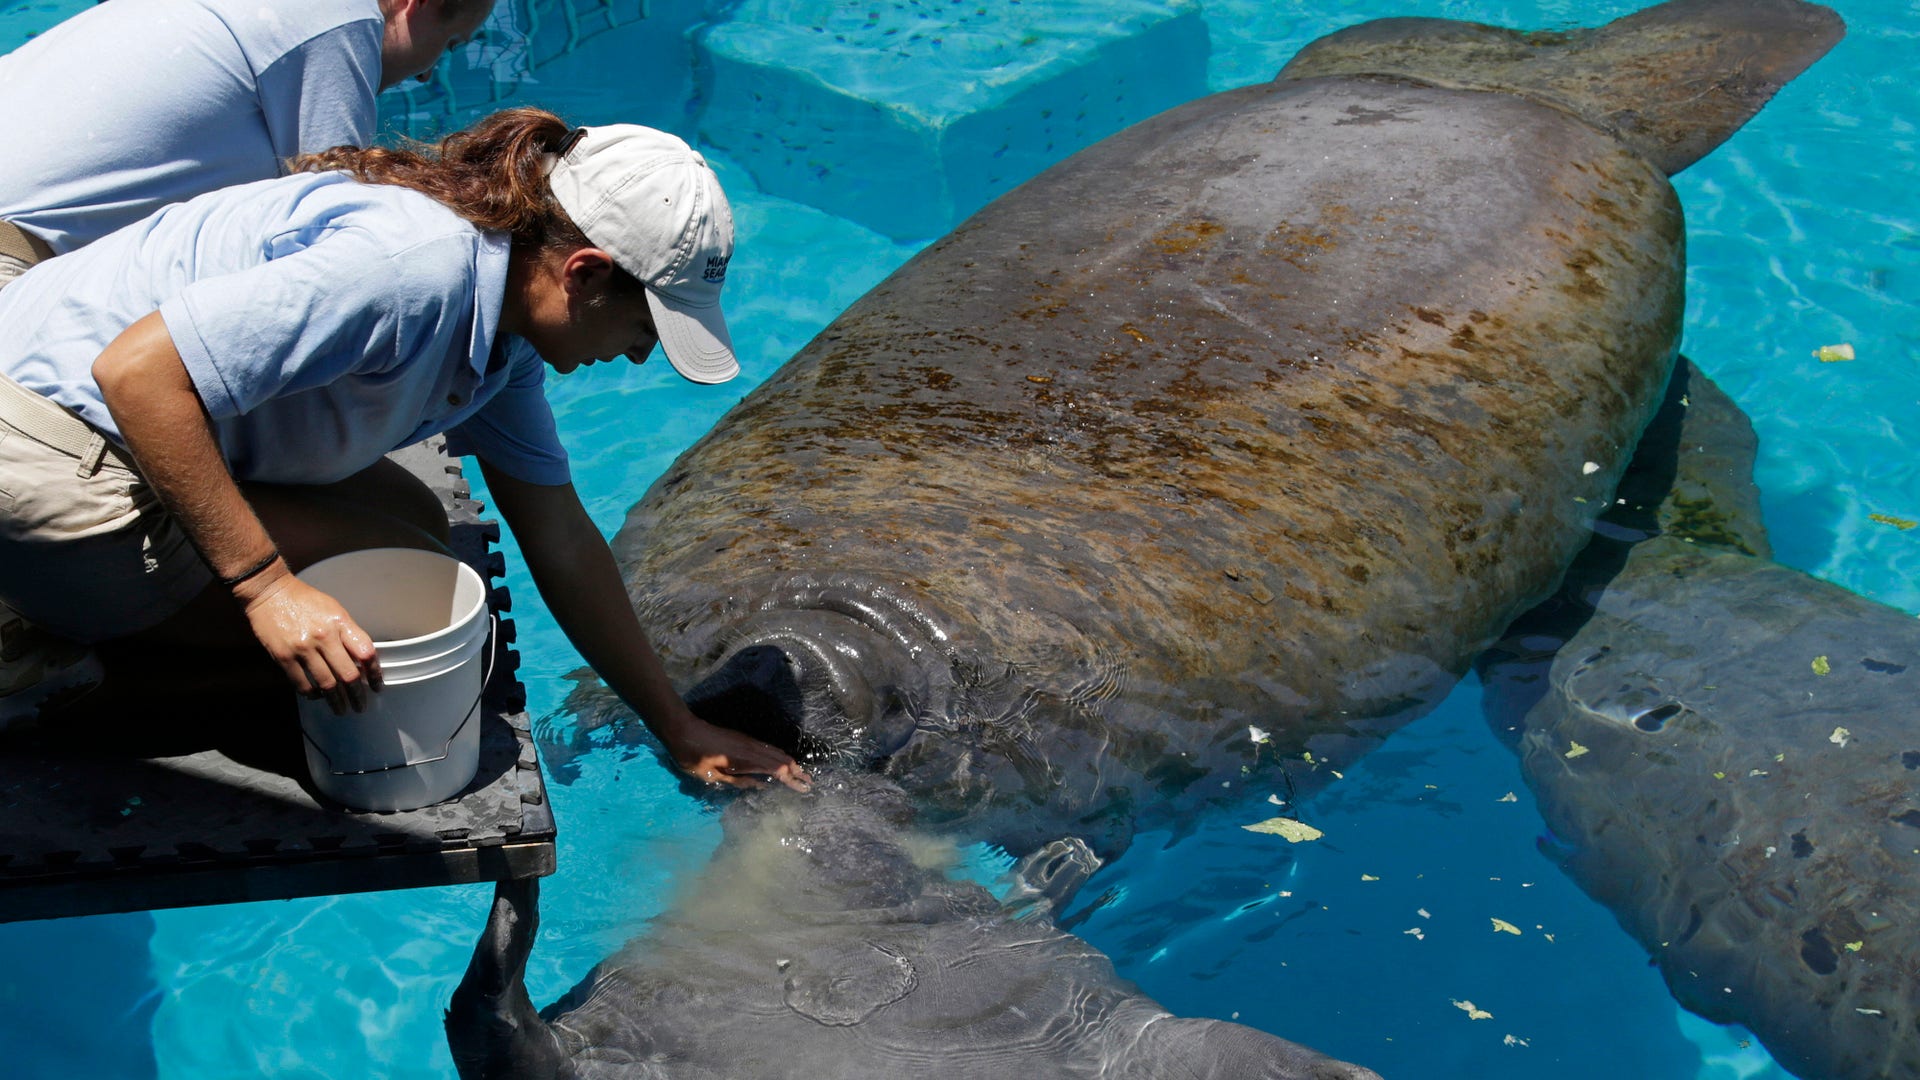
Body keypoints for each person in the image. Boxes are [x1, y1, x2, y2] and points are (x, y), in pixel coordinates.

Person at [0, 106, 811, 792]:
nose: (640, 355)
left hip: (86, 406)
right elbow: (136, 374)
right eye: (647, 327)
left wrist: (676, 722)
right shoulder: (412, 272)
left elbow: (559, 533)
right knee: (366, 638)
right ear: (586, 272)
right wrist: (266, 589)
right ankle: (53, 662)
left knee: (415, 528)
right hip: (36, 437)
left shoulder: (506, 320)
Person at [0, 0, 495, 288]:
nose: (430, 72)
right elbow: (346, 238)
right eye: (449, 44)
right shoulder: (339, 23)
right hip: (13, 262)